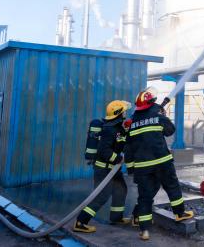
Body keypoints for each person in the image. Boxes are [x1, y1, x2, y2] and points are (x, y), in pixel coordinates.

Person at [126, 86, 194, 241]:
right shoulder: (157, 115)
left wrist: (131, 169)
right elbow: (170, 130)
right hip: (162, 162)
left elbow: (128, 148)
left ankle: (144, 230)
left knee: (144, 197)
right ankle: (179, 213)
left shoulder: (132, 122)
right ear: (152, 102)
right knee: (172, 186)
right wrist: (163, 116)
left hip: (142, 167)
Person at [73, 100, 132, 233]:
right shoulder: (109, 130)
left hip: (113, 169)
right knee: (101, 196)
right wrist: (118, 158)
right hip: (103, 169)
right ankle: (80, 222)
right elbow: (104, 151)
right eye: (124, 111)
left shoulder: (117, 128)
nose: (125, 114)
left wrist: (128, 131)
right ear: (119, 113)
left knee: (120, 190)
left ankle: (116, 218)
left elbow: (120, 143)